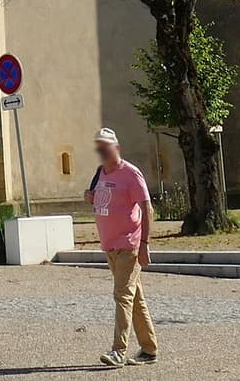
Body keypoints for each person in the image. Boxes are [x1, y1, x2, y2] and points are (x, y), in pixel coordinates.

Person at [89, 127, 158, 367]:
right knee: (134, 298)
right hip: (110, 246)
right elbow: (100, 200)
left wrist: (145, 244)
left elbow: (147, 208)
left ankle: (118, 350)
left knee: (122, 296)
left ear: (116, 147)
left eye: (106, 146)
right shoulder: (100, 173)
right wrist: (91, 197)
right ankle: (149, 349)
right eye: (99, 147)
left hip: (129, 244)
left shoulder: (130, 173)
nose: (102, 151)